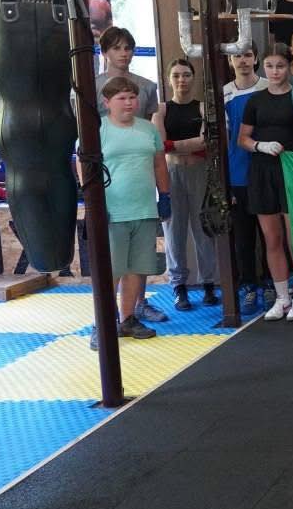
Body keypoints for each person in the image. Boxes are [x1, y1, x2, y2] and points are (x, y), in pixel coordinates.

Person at [91, 75, 171, 348]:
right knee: (111, 271)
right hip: (112, 212)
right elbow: (83, 166)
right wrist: (94, 203)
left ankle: (128, 319)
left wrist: (165, 195)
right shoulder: (97, 130)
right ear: (107, 102)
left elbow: (159, 163)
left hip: (144, 209)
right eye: (122, 98)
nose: (128, 103)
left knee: (137, 268)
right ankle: (102, 323)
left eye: (132, 97)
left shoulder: (148, 129)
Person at [238, 44, 293, 321]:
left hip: (291, 171)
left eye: (280, 66)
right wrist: (260, 145)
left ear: (288, 67)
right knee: (272, 238)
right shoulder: (255, 100)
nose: (274, 71)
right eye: (270, 66)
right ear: (263, 67)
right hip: (262, 172)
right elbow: (243, 139)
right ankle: (282, 297)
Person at [153, 58, 217, 312]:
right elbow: (160, 145)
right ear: (169, 79)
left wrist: (175, 145)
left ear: (193, 77)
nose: (182, 80)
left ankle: (209, 283)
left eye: (186, 74)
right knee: (173, 231)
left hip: (199, 172)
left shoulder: (202, 108)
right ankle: (178, 286)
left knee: (204, 229)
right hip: (171, 174)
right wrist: (190, 144)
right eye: (177, 75)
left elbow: (207, 142)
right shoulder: (161, 110)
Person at [223, 45, 269, 315]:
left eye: (247, 55)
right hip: (237, 174)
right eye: (237, 55)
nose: (242, 60)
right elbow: (219, 139)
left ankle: (273, 284)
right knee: (243, 237)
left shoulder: (268, 87)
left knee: (271, 235)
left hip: (266, 171)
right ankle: (249, 286)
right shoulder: (223, 94)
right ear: (230, 60)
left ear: (256, 58)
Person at [95, 26, 158, 120]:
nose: (123, 54)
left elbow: (147, 123)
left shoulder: (148, 86)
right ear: (104, 52)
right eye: (116, 48)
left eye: (127, 48)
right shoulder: (93, 86)